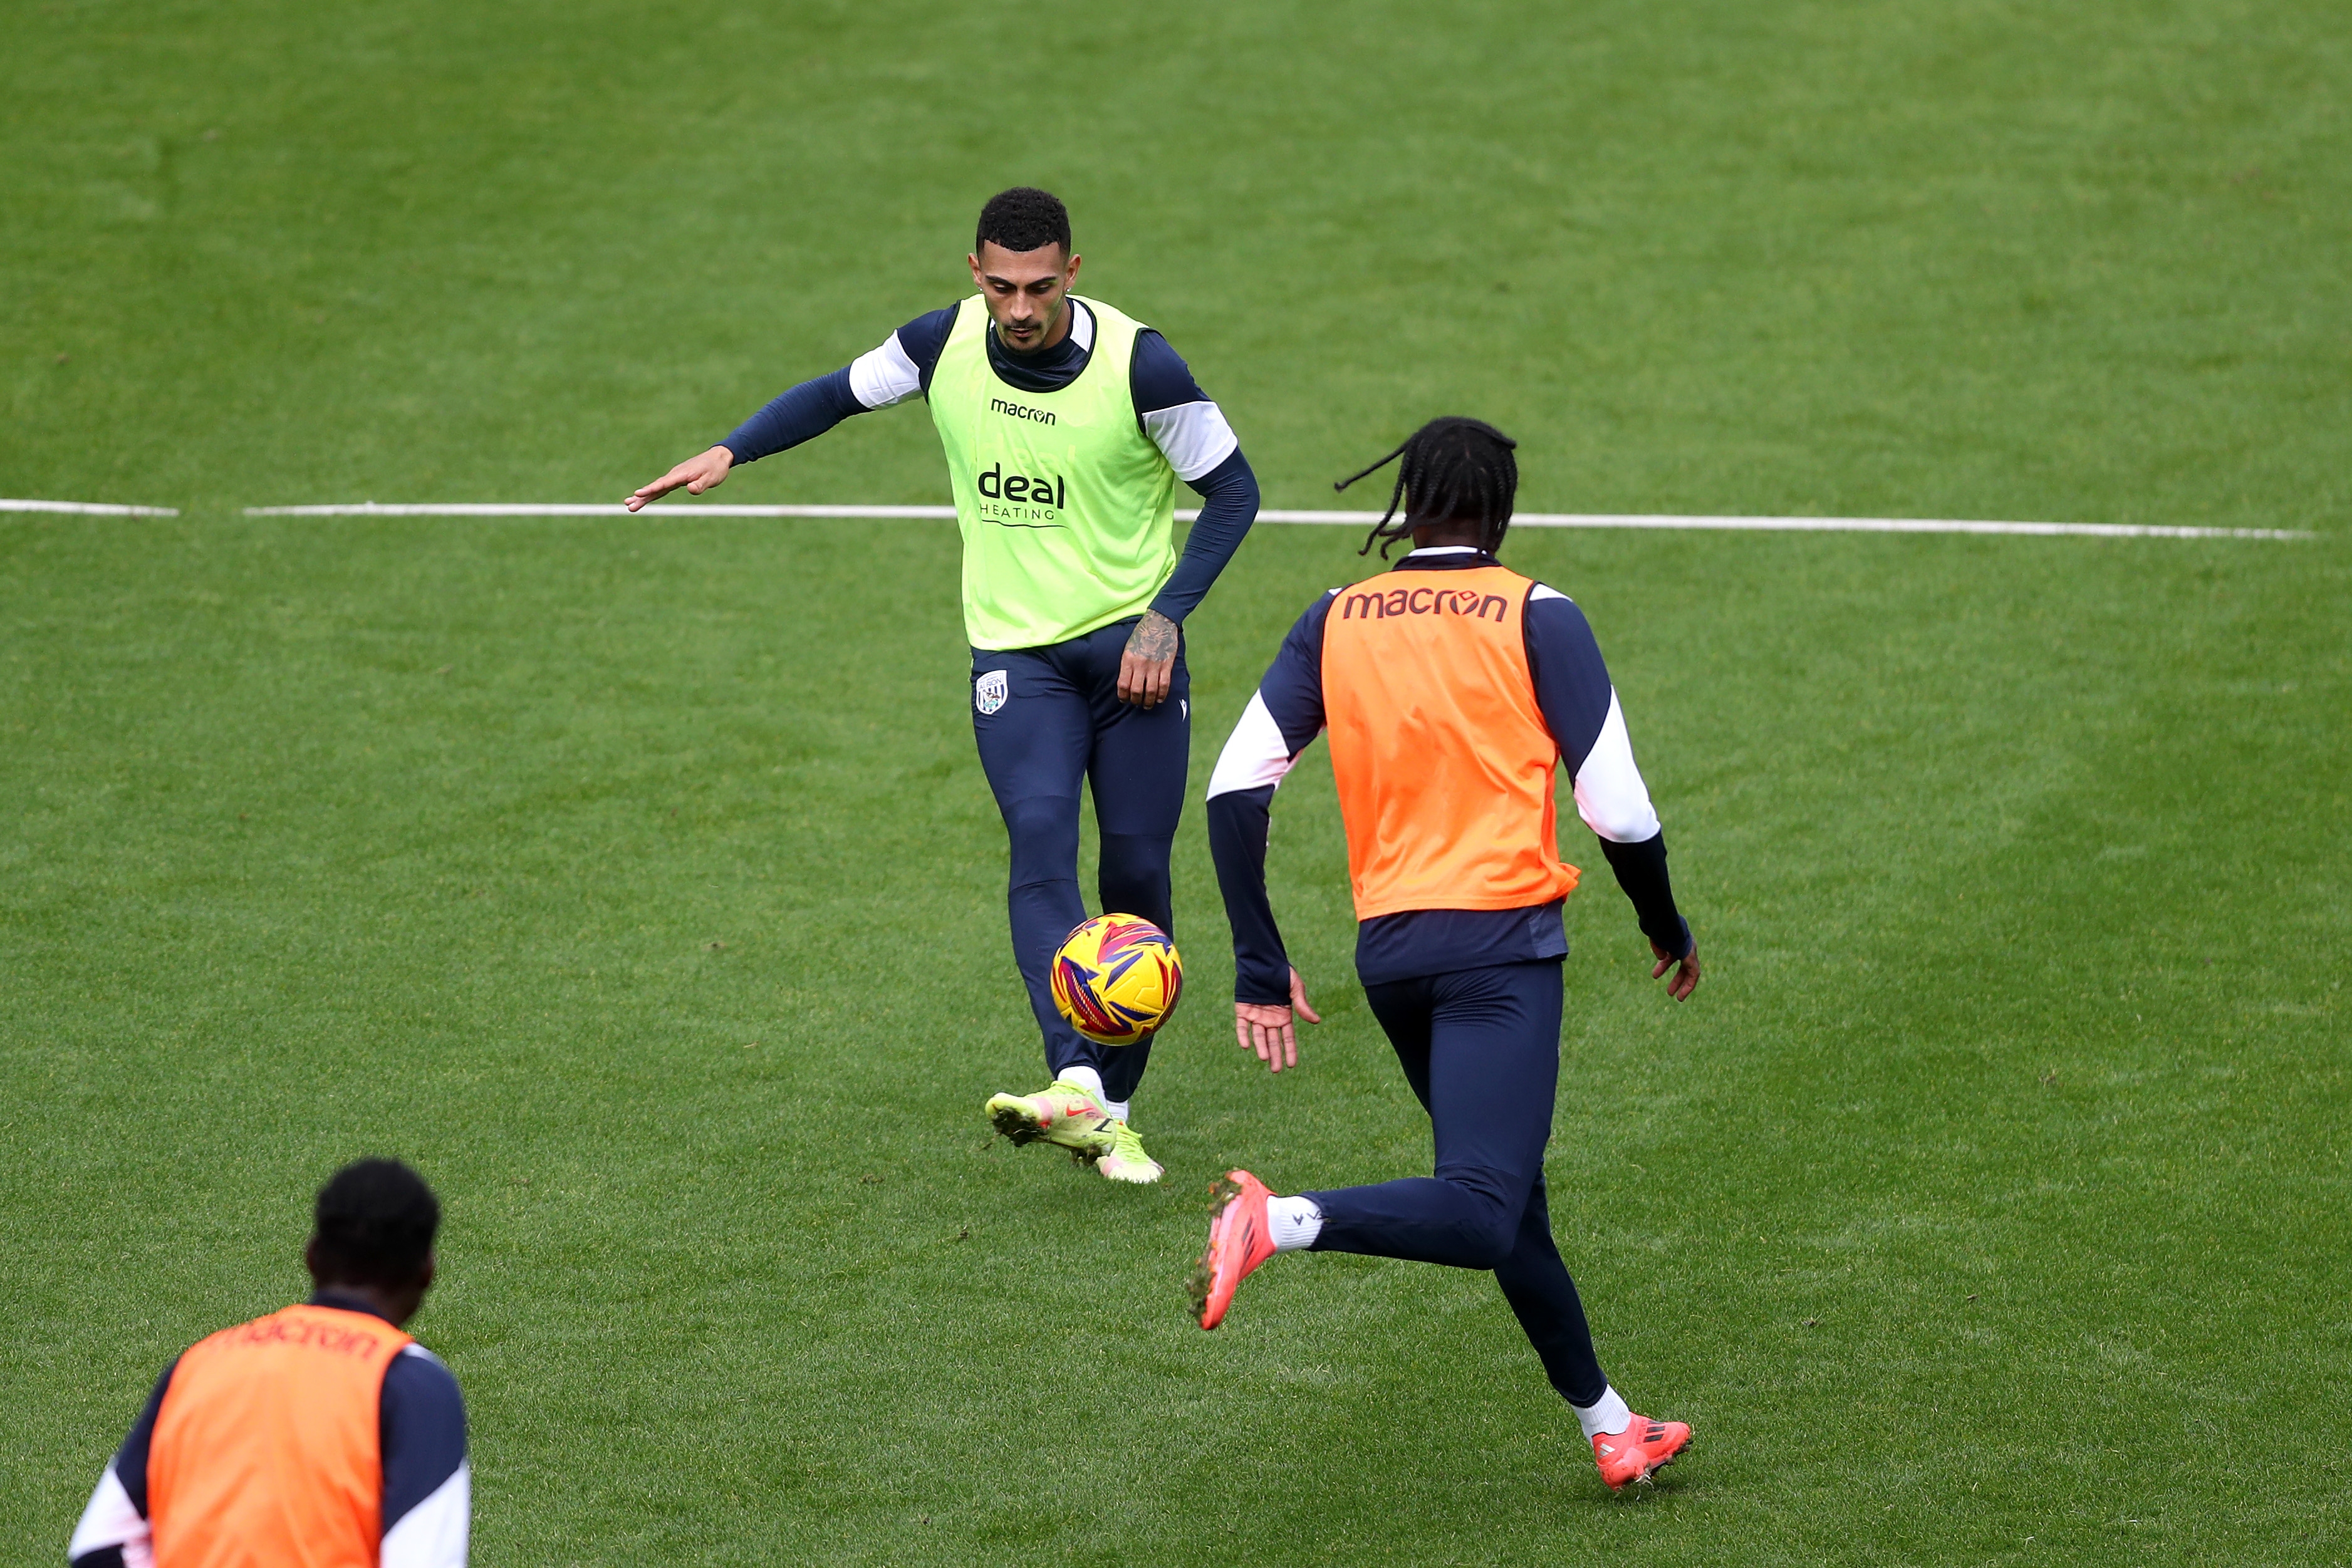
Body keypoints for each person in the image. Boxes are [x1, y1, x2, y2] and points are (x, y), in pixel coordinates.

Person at [627, 188, 1260, 1185]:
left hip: (1131, 656)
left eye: (1040, 287)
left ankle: (1113, 1102)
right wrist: (730, 448)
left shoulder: (1142, 364)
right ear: (974, 272)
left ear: (1073, 273)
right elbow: (834, 392)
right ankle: (1075, 1087)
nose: (1019, 307)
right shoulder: (939, 344)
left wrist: (1166, 614)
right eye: (1001, 286)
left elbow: (1234, 490)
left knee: (1136, 877)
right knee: (1041, 841)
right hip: (1017, 656)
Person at [1190, 418, 1702, 1492]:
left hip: (1393, 956)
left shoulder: (1335, 615)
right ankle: (1275, 1220)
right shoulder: (1536, 612)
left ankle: (1611, 1424)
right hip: (1499, 952)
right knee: (1476, 1205)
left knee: (1512, 1202)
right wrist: (1662, 923)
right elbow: (1616, 807)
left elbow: (1235, 784)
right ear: (1498, 508)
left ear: (1408, 501)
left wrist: (1256, 958)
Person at [68, 1160, 469, 1568]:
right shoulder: (412, 1383)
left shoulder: (200, 1362)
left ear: (312, 1256)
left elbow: (98, 1549)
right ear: (426, 1270)